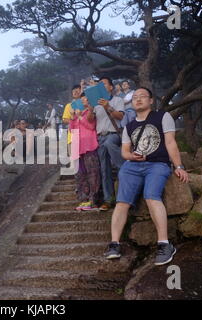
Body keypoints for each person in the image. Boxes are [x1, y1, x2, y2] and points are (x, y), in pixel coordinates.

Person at [104, 87, 189, 266]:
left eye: (143, 96)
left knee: (151, 196)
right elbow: (125, 151)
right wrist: (131, 156)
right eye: (135, 97)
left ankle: (164, 244)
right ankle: (114, 244)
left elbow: (170, 142)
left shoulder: (162, 117)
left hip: (157, 164)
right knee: (122, 202)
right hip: (133, 166)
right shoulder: (129, 126)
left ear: (151, 100)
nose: (138, 99)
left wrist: (179, 166)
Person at [94, 77, 125, 211]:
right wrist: (90, 109)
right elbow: (90, 119)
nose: (101, 86)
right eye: (99, 84)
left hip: (114, 135)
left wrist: (108, 106)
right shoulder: (95, 103)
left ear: (111, 87)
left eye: (104, 84)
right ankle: (108, 199)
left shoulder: (118, 100)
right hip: (100, 136)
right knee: (104, 169)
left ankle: (124, 167)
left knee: (109, 144)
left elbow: (121, 117)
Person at [70, 93, 101, 211]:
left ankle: (93, 200)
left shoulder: (90, 112)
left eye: (85, 100)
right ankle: (83, 199)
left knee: (93, 174)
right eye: (81, 100)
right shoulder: (78, 114)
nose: (83, 102)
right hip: (77, 147)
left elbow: (91, 126)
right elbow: (72, 130)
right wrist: (73, 118)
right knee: (80, 175)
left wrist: (79, 117)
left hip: (89, 146)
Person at [62, 85, 83, 156]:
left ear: (81, 91)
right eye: (74, 91)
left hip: (85, 135)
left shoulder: (86, 103)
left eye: (77, 90)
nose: (75, 92)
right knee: (74, 161)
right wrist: (74, 120)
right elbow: (65, 119)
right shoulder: (69, 105)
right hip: (72, 136)